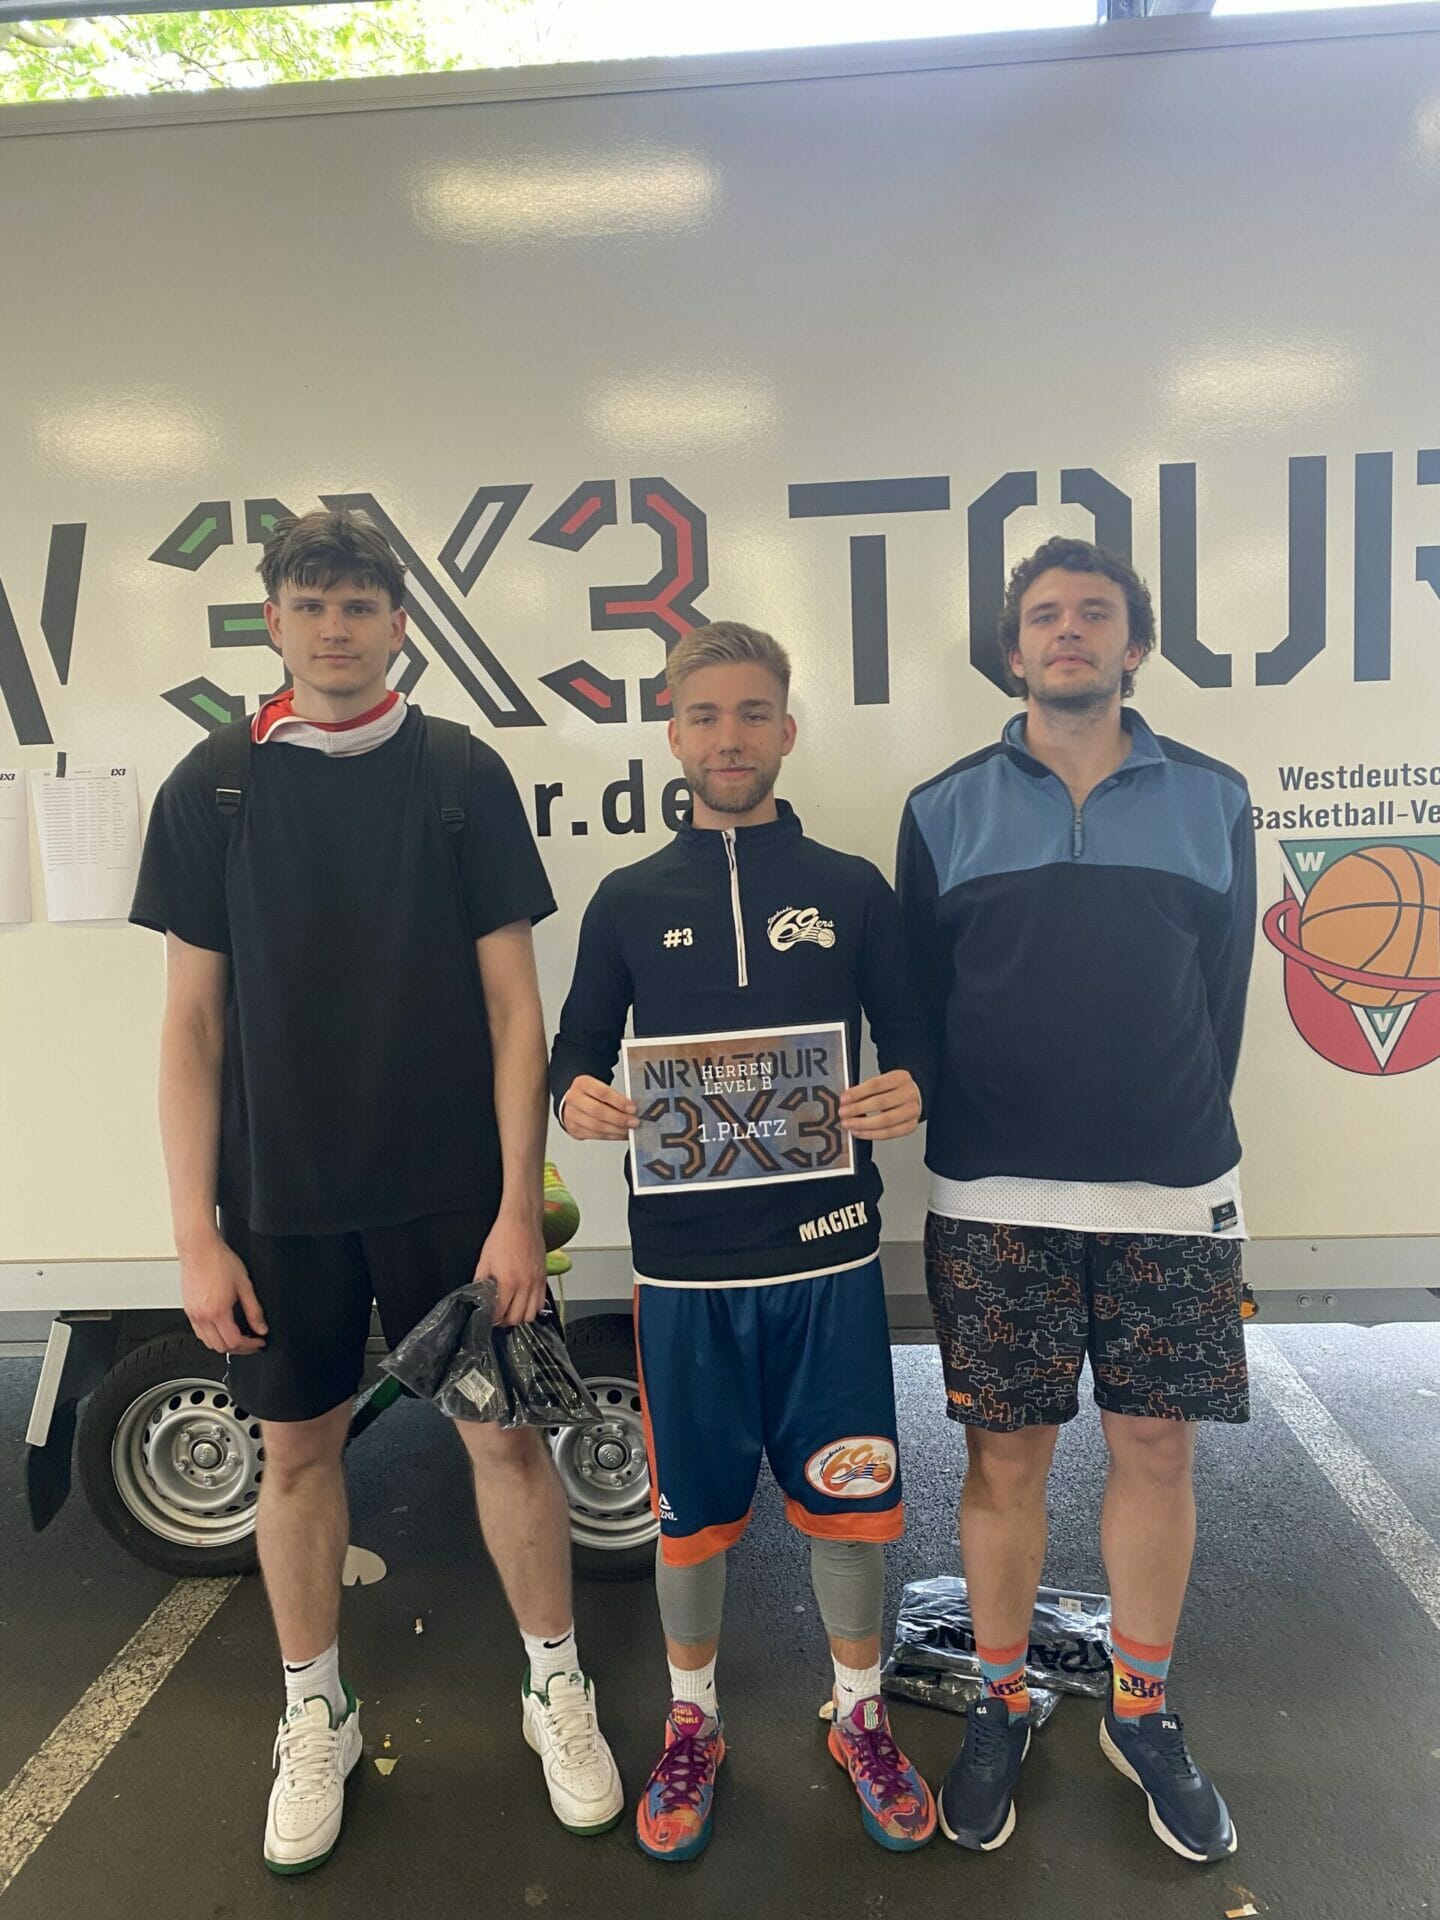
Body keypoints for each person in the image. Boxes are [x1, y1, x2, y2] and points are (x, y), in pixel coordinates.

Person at [130, 508, 621, 1875]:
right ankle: (316, 1717)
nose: (335, 627)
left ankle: (556, 1686)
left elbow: (516, 1012)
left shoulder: (459, 774)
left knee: (504, 1445)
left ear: (400, 624)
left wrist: (516, 1207)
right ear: (273, 623)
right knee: (297, 1459)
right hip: (280, 1202)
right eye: (311, 604)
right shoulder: (214, 787)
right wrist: (194, 1232)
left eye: (358, 604)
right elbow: (190, 1029)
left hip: (451, 1195)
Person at [551, 620, 937, 1861]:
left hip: (828, 1258)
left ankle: (861, 1713)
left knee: (851, 1499)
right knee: (694, 1513)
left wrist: (911, 1087)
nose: (731, 737)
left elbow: (915, 1033)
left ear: (786, 728)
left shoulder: (850, 886)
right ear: (672, 734)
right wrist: (576, 1098)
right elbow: (575, 1050)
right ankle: (694, 1722)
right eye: (707, 715)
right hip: (684, 1271)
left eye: (753, 713)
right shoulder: (627, 898)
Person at [897, 536, 1255, 1865]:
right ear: (1013, 651)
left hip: (1173, 1189)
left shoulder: (1214, 798)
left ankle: (1140, 1713)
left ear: (1134, 644)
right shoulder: (942, 808)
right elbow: (922, 1007)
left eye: (1094, 613)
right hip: (994, 1189)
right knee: (1006, 1460)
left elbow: (1222, 1001)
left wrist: (1159, 1120)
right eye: (1044, 615)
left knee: (1158, 1449)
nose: (1068, 631)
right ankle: (1001, 1702)